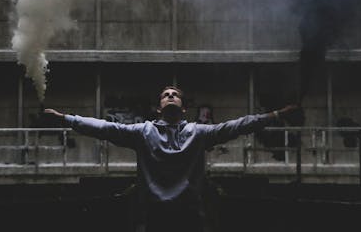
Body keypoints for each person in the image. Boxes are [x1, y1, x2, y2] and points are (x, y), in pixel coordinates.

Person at [43, 86, 303, 232]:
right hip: (156, 215)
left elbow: (239, 125)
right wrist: (66, 119)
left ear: (183, 107)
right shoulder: (143, 132)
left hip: (189, 214)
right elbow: (104, 128)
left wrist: (277, 115)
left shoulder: (199, 133)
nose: (169, 96)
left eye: (174, 94)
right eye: (165, 94)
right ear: (159, 107)